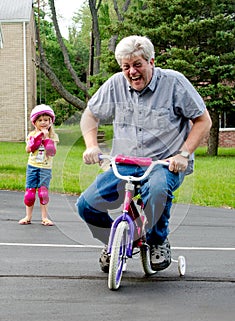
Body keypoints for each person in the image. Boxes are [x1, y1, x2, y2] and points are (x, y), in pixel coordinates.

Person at [77, 35, 212, 272]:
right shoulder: (115, 84)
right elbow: (90, 115)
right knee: (86, 205)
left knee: (158, 189)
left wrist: (183, 154)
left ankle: (158, 240)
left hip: (165, 163)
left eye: (137, 64)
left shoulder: (174, 83)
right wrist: (92, 145)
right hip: (125, 163)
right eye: (126, 66)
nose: (132, 72)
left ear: (151, 61)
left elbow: (203, 120)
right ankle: (115, 243)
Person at [19, 104, 59, 226]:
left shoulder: (53, 136)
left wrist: (46, 138)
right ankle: (28, 216)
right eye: (40, 120)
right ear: (35, 122)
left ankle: (44, 218)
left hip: (45, 168)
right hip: (32, 167)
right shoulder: (31, 135)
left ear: (50, 121)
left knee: (43, 193)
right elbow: (28, 149)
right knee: (30, 194)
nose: (43, 122)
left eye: (46, 120)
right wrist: (36, 139)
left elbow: (52, 152)